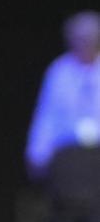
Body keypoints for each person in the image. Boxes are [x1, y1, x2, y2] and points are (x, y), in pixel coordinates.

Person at [26, 11, 100, 177]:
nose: (84, 44)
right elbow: (47, 115)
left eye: (89, 39)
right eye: (79, 39)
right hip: (68, 154)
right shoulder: (59, 71)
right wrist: (37, 153)